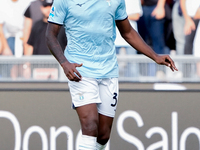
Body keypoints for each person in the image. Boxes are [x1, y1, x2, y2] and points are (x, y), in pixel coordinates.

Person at [45, 0, 178, 149]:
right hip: (80, 70)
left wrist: (155, 56)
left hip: (108, 69)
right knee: (90, 124)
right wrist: (64, 62)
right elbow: (50, 34)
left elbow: (127, 32)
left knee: (103, 135)